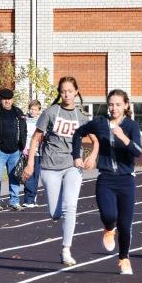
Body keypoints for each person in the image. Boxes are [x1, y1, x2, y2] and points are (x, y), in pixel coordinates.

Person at [72, 89, 142, 275]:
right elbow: (78, 133)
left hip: (126, 180)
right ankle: (109, 228)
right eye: (111, 104)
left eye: (118, 104)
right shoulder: (100, 123)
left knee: (126, 225)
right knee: (109, 215)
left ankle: (124, 259)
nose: (114, 108)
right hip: (106, 179)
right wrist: (76, 156)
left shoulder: (131, 126)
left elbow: (138, 151)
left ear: (126, 105)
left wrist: (123, 137)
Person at [23, 76, 90, 266]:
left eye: (70, 91)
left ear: (76, 92)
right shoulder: (51, 112)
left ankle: (66, 249)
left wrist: (92, 157)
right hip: (50, 166)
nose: (67, 94)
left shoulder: (82, 117)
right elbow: (36, 139)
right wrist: (29, 164)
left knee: (71, 207)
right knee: (55, 212)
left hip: (72, 166)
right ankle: (57, 214)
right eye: (63, 91)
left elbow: (96, 139)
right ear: (59, 93)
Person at [22, 100, 42, 207]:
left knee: (35, 175)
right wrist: (24, 148)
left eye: (35, 109)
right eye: (31, 109)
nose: (32, 111)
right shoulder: (25, 120)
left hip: (38, 152)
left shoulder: (41, 121)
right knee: (28, 175)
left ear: (39, 111)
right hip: (27, 151)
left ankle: (33, 197)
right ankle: (28, 199)